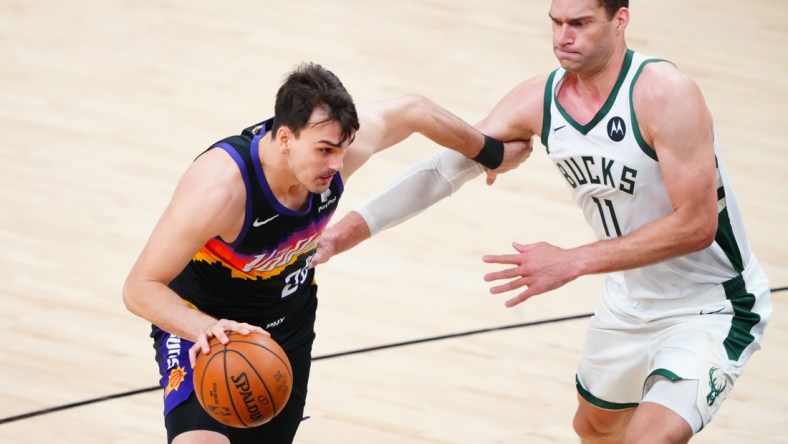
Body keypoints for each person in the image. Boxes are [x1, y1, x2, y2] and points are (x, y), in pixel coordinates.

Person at [313, 1, 772, 442]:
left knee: (651, 438)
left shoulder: (663, 92)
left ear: (620, 20)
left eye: (579, 23)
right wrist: (338, 236)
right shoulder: (539, 99)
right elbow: (442, 170)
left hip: (712, 303)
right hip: (627, 299)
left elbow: (696, 225)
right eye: (555, 22)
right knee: (593, 429)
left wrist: (572, 261)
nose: (562, 38)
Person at [122, 62, 530, 444]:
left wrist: (490, 154)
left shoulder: (337, 148)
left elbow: (414, 110)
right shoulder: (220, 190)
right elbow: (140, 287)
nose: (337, 163)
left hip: (286, 324)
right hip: (205, 330)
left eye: (343, 147)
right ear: (285, 138)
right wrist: (205, 328)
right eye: (324, 150)